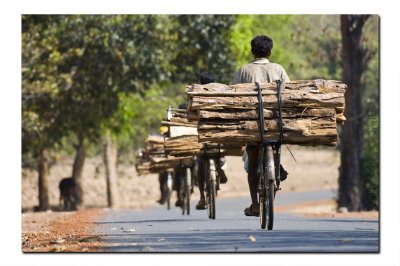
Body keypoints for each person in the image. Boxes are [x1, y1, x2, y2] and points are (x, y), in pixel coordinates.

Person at [233, 35, 289, 217]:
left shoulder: (243, 71)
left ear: (252, 51)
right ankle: (278, 167)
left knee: (253, 158)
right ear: (270, 52)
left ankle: (255, 204)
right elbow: (290, 95)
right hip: (276, 124)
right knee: (277, 143)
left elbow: (232, 97)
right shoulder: (278, 69)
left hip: (252, 126)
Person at [195, 72, 227, 210]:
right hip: (219, 137)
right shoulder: (221, 96)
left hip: (203, 139)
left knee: (200, 163)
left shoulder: (196, 96)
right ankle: (221, 164)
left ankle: (202, 197)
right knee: (221, 151)